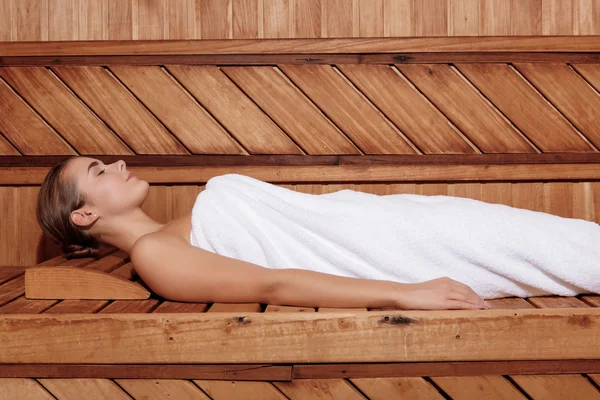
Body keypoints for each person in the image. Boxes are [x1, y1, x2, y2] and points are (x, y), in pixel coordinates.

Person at [36, 157, 599, 311]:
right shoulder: (157, 254)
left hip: (394, 222)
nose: (114, 165)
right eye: (97, 172)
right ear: (84, 215)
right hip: (391, 251)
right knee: (572, 252)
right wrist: (403, 292)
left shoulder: (174, 231)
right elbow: (275, 285)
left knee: (569, 242)